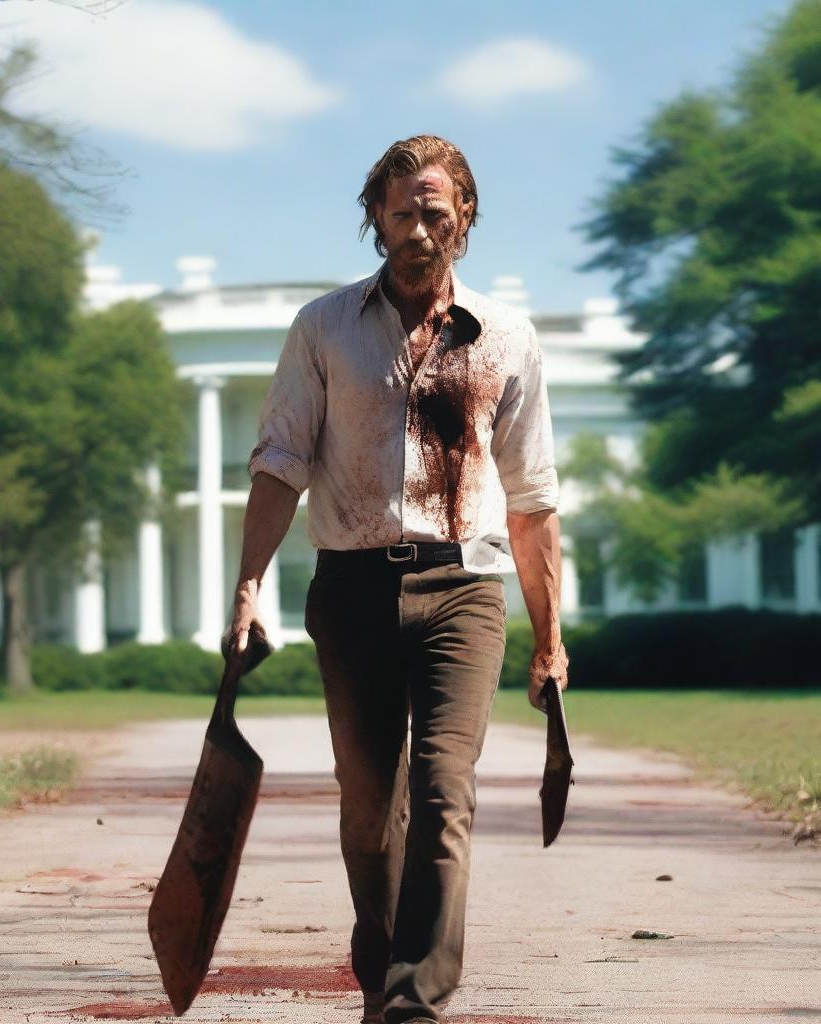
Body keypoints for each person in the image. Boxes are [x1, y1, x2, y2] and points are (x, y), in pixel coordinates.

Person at [224, 134, 570, 1024]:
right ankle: (381, 967)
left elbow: (531, 503)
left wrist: (550, 642)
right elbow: (279, 464)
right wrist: (248, 587)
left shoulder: (506, 339)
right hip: (352, 592)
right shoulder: (324, 329)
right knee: (369, 810)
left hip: (465, 591)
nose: (419, 227)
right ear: (375, 218)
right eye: (402, 210)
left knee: (444, 791)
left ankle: (415, 1000)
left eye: (436, 210)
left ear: (465, 218)